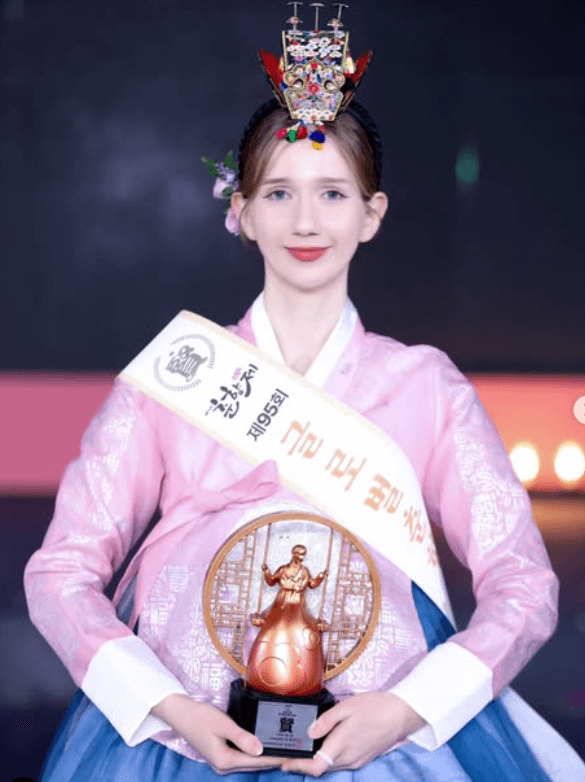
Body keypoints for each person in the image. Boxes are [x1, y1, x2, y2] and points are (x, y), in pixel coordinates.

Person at [24, 9, 585, 782]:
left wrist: (407, 709)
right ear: (241, 212)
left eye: (333, 193)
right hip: (183, 742)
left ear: (371, 214)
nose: (306, 221)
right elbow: (58, 574)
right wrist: (166, 706)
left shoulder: (425, 387)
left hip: (381, 744)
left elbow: (523, 584)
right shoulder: (175, 378)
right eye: (279, 193)